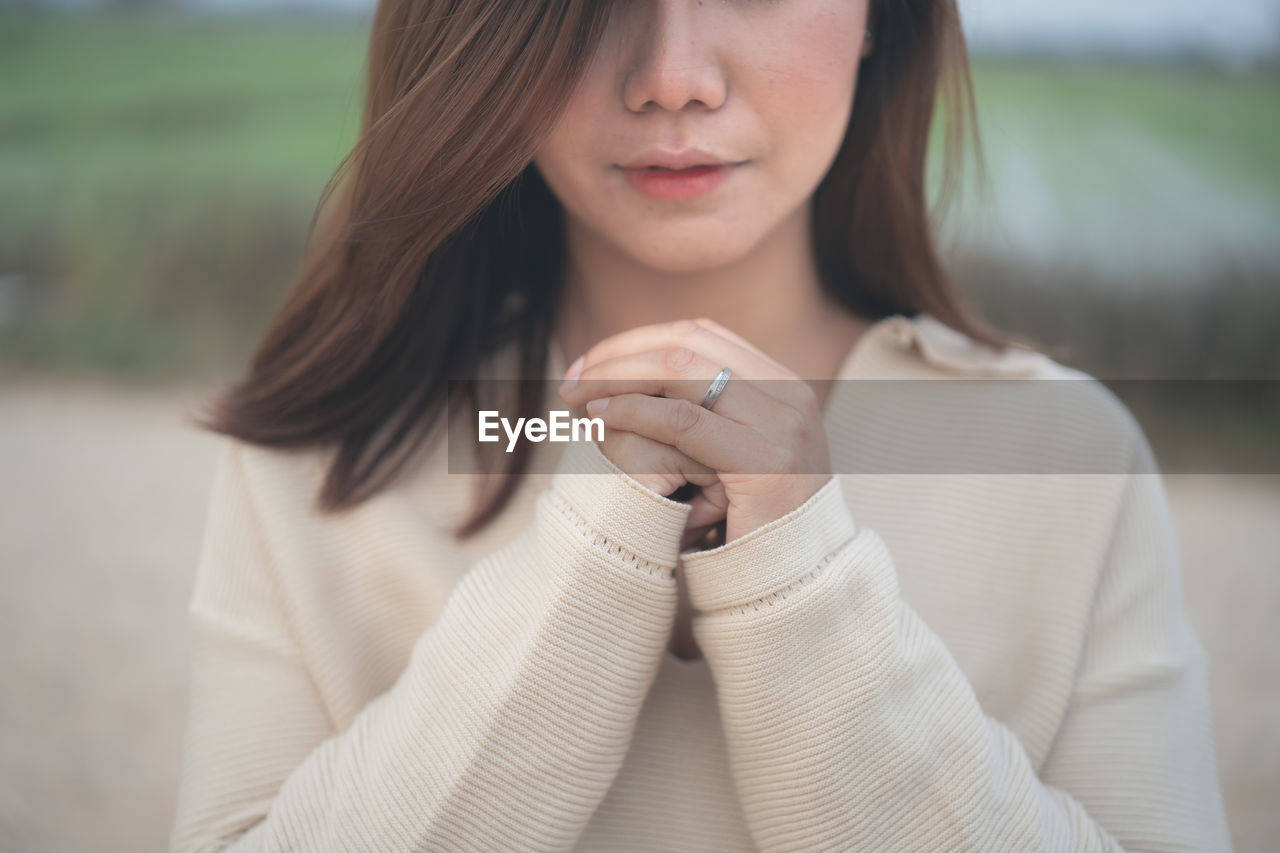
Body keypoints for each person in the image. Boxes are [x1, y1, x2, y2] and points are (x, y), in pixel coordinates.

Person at [168, 0, 1234, 850]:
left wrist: (801, 584)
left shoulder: (1062, 458)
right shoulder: (327, 449)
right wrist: (593, 551)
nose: (672, 75)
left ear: (881, 17)